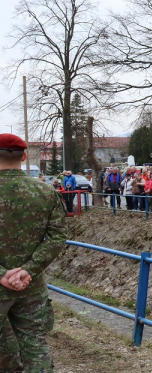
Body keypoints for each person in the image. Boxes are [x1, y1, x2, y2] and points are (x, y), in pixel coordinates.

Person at [0, 133, 68, 372]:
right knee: (34, 344)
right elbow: (58, 236)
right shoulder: (46, 192)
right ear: (24, 156)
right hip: (30, 284)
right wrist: (28, 270)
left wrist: (2, 274)